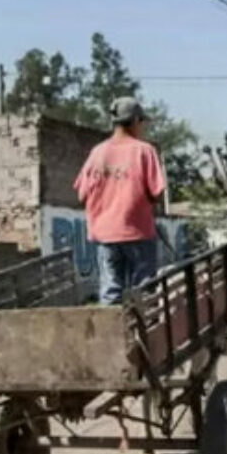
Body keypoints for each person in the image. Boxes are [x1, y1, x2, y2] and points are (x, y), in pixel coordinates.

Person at [73, 97, 166, 304]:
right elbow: (156, 193)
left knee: (110, 290)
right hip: (138, 233)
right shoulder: (144, 151)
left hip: (105, 236)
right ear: (135, 120)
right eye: (142, 122)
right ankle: (144, 333)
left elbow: (82, 194)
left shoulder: (97, 153)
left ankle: (113, 333)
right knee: (143, 292)